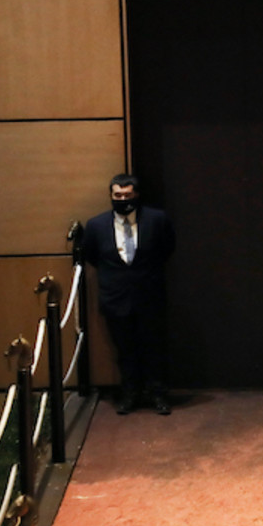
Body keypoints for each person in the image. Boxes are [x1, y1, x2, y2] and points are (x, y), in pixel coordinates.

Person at [82, 174, 176, 415]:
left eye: (127, 195)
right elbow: (93, 257)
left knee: (154, 347)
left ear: (136, 195)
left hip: (149, 295)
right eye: (118, 196)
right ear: (111, 196)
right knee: (124, 349)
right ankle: (130, 394)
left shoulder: (157, 220)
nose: (123, 199)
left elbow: (167, 249)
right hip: (115, 298)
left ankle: (158, 394)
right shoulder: (96, 226)